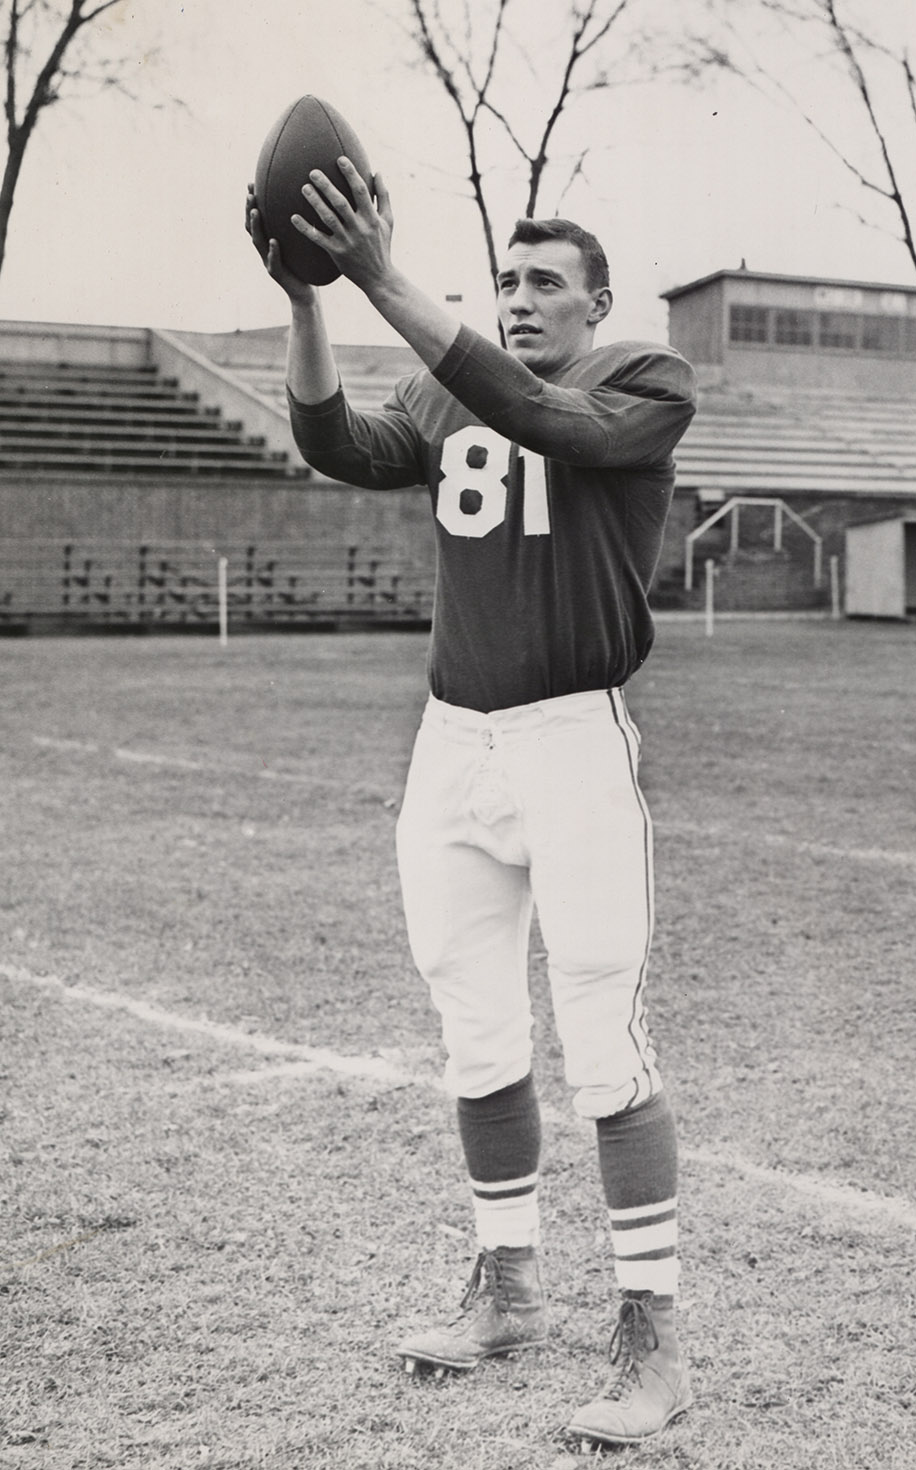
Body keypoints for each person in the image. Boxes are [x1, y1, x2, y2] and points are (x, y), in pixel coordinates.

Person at [245, 155, 697, 1450]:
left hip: (571, 739)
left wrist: (379, 272)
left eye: (549, 283)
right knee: (478, 1031)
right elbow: (336, 443)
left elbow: (549, 421)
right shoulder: (448, 385)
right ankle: (506, 1287)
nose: (521, 299)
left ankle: (653, 1339)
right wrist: (310, 299)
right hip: (453, 742)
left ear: (598, 303)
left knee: (603, 1036)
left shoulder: (645, 378)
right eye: (507, 280)